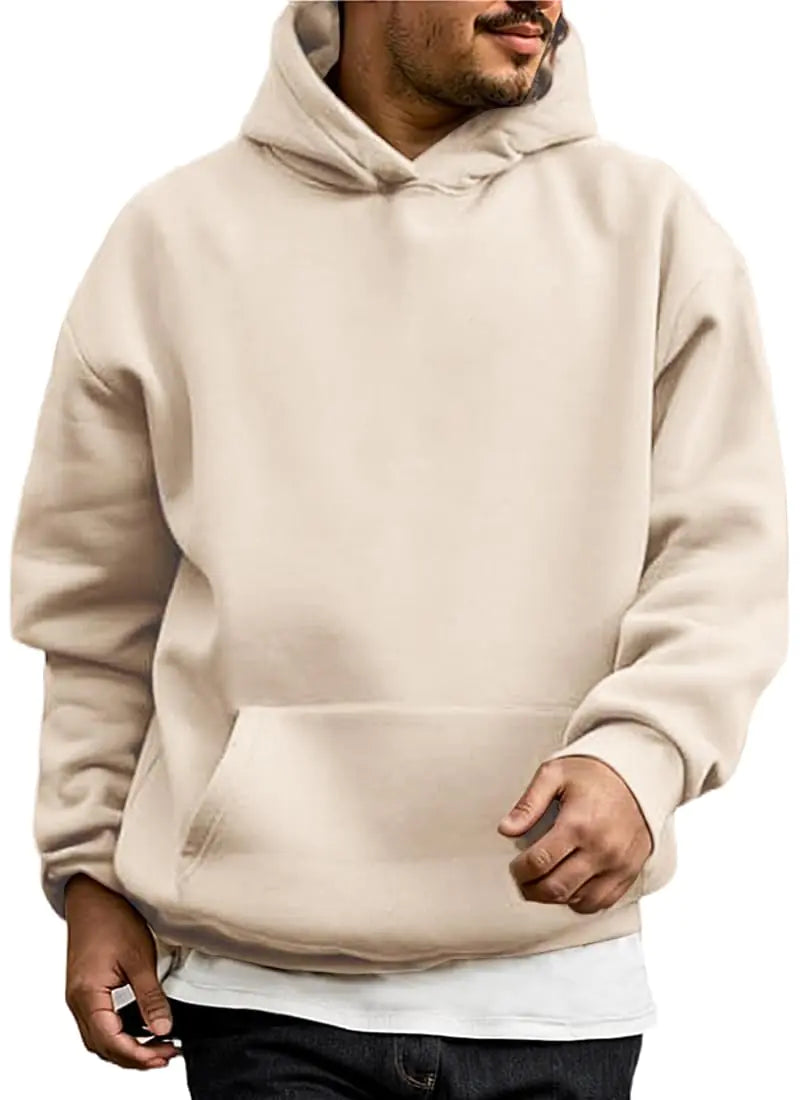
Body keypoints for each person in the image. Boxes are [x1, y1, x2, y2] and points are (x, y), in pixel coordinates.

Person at [9, 2, 789, 1097]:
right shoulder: (173, 240)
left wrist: (640, 754)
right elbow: (97, 610)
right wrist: (91, 873)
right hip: (260, 989)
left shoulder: (651, 228)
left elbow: (725, 558)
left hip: (552, 979)